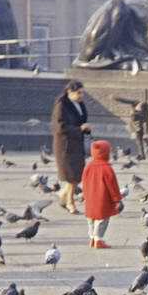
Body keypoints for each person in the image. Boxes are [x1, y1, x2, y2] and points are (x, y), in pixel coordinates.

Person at [52, 80, 90, 213]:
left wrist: (85, 129)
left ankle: (63, 195)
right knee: (71, 175)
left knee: (77, 175)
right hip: (65, 146)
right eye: (78, 93)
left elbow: (82, 121)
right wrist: (79, 129)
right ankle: (70, 202)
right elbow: (59, 127)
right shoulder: (62, 105)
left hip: (77, 144)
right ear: (70, 91)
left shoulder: (80, 104)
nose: (81, 95)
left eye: (82, 93)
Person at [82, 139, 123, 249]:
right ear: (106, 153)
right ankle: (98, 240)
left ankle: (92, 238)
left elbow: (84, 182)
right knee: (102, 219)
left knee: (91, 219)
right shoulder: (107, 168)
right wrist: (117, 199)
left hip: (90, 198)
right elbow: (113, 186)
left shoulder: (88, 167)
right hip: (102, 199)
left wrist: (84, 195)